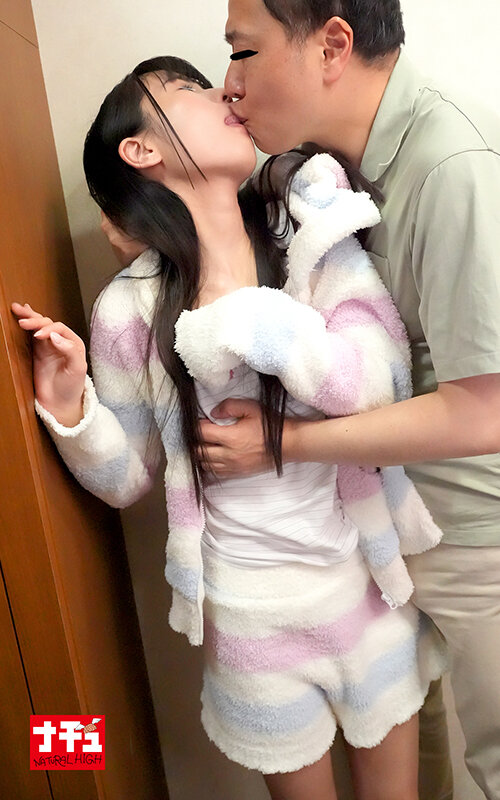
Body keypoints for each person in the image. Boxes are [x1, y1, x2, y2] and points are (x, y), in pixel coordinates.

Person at [11, 56, 448, 800]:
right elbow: (125, 478)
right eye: (186, 90)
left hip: (363, 585)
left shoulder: (308, 237)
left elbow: (380, 382)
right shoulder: (129, 308)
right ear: (141, 150)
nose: (221, 90)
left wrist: (255, 322)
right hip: (250, 617)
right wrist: (70, 407)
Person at [195, 1, 500, 798]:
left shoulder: (454, 164)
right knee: (412, 762)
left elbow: (486, 411)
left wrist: (282, 444)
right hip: (377, 534)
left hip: (477, 536)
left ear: (333, 45)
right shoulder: (318, 172)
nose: (229, 85)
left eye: (243, 52)